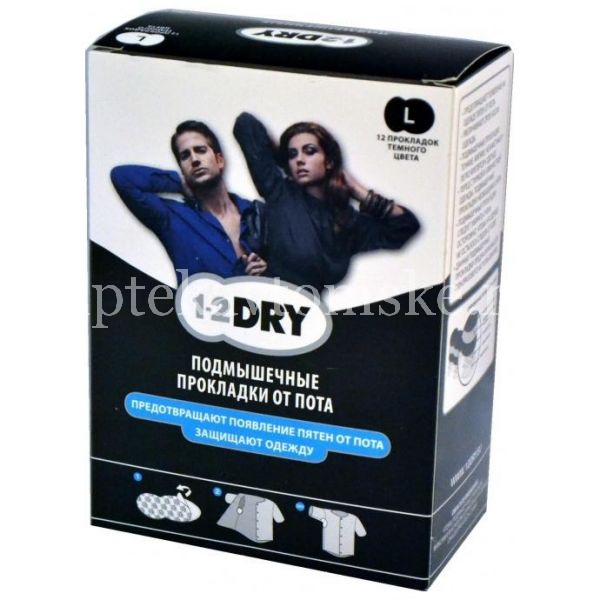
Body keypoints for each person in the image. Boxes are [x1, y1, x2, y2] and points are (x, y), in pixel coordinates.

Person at [233, 112, 420, 293]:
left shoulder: (348, 221)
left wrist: (358, 190)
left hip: (311, 309)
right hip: (265, 301)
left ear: (329, 161)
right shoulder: (279, 192)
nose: (299, 160)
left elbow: (406, 226)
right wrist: (283, 161)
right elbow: (246, 124)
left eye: (309, 151)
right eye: (292, 154)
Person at [111, 120, 267, 286]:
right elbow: (122, 178)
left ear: (219, 160)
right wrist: (178, 183)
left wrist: (267, 270)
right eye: (185, 156)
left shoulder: (257, 214)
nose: (194, 159)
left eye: (200, 150)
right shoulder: (173, 219)